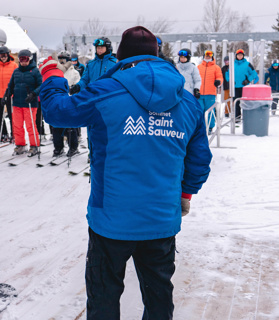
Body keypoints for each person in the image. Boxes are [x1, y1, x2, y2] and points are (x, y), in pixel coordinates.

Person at [39, 26, 212, 320]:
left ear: (121, 56)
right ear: (157, 56)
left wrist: (52, 75)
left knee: (104, 299)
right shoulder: (187, 102)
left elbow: (57, 111)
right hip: (161, 220)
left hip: (111, 221)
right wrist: (185, 193)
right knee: (159, 298)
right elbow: (199, 159)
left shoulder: (105, 92)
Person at [4, 49, 42, 156]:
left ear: (29, 59)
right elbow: (11, 85)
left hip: (30, 103)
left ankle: (34, 146)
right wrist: (6, 95)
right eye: (21, 59)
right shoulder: (16, 71)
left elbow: (41, 85)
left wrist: (34, 94)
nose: (23, 61)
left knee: (30, 125)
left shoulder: (35, 71)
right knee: (17, 125)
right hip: (17, 103)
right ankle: (20, 145)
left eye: (25, 59)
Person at [51, 51, 80, 157]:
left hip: (69, 101)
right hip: (57, 101)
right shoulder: (56, 71)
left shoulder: (74, 72)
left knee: (70, 126)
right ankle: (58, 147)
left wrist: (73, 90)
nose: (62, 61)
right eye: (60, 59)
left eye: (64, 59)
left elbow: (78, 85)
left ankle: (73, 147)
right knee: (56, 125)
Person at [0, 45, 17, 143]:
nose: (3, 57)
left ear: (8, 55)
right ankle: (3, 133)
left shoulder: (13, 65)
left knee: (11, 116)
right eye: (1, 55)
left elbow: (16, 79)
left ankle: (14, 134)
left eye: (5, 55)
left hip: (10, 95)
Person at [228, 49, 259, 120]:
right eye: (238, 55)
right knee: (236, 103)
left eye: (241, 55)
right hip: (235, 87)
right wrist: (231, 80)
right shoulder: (232, 64)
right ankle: (237, 118)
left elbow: (254, 73)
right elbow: (227, 74)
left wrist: (248, 80)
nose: (239, 56)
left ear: (243, 56)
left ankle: (246, 117)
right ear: (236, 56)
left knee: (245, 103)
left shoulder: (247, 64)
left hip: (245, 87)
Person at [197, 50, 223, 134]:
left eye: (209, 55)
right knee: (199, 110)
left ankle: (210, 127)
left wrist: (218, 81)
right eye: (206, 55)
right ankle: (199, 127)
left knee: (210, 111)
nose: (207, 57)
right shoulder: (199, 67)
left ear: (212, 56)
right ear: (203, 56)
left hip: (210, 93)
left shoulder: (216, 67)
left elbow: (220, 77)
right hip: (200, 93)